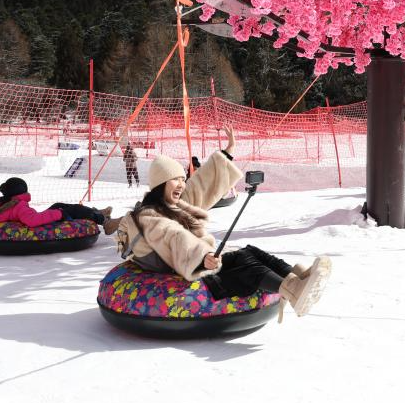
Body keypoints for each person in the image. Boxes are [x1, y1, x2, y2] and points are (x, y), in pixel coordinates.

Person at [115, 126, 330, 319]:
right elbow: (175, 239)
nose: (181, 184)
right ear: (160, 184)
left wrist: (228, 151)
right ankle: (293, 291)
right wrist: (202, 258)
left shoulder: (172, 204)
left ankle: (299, 276)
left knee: (250, 251)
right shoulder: (148, 216)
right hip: (179, 267)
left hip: (189, 260)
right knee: (242, 261)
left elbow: (200, 184)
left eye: (182, 179)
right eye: (175, 180)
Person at [0, 177, 119, 235]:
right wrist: (58, 214)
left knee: (58, 204)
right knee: (69, 210)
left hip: (19, 220)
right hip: (34, 226)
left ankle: (95, 212)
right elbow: (32, 220)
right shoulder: (18, 205)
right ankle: (105, 222)